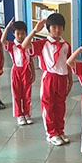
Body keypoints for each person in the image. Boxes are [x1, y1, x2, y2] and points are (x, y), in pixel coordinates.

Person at [22, 13, 72, 145]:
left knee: (60, 106)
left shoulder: (66, 45)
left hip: (62, 78)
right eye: (54, 27)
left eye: (60, 27)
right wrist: (35, 30)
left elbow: (68, 63)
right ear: (48, 28)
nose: (57, 30)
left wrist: (70, 79)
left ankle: (60, 130)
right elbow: (24, 45)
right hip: (49, 78)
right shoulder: (43, 43)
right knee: (48, 106)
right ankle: (51, 133)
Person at [1, 19, 35, 125]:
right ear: (13, 34)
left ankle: (27, 113)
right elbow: (2, 41)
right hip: (16, 71)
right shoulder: (12, 45)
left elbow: (31, 60)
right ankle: (19, 115)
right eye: (18, 34)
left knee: (27, 94)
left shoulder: (28, 45)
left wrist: (33, 73)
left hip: (27, 70)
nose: (20, 36)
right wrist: (7, 28)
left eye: (23, 33)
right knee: (17, 94)